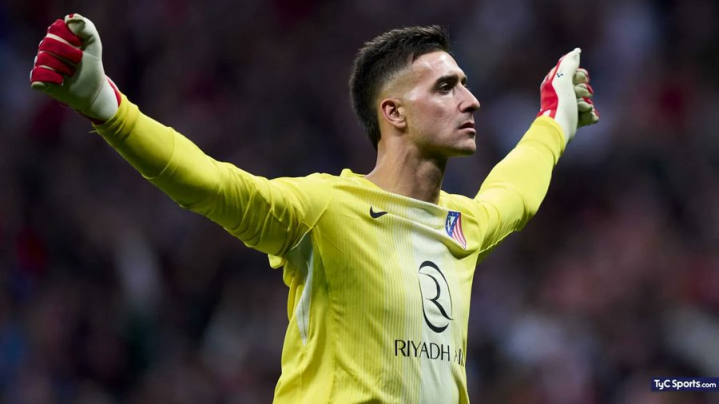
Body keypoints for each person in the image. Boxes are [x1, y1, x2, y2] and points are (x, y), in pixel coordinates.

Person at [30, 14, 599, 404]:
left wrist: (556, 119)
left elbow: (515, 194)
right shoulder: (326, 210)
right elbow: (212, 185)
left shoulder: (461, 226)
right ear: (394, 113)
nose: (471, 100)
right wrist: (107, 106)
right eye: (446, 87)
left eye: (465, 85)